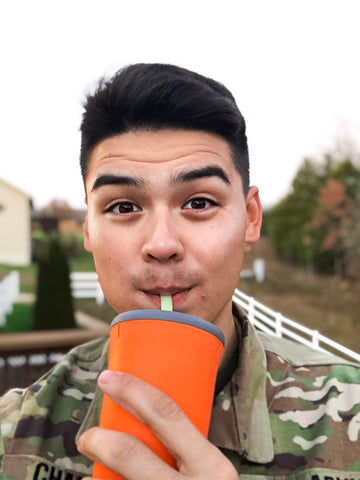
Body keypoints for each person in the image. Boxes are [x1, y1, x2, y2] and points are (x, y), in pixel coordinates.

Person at [1, 63, 360, 480]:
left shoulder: (346, 413)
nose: (162, 245)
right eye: (123, 207)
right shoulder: (16, 431)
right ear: (88, 230)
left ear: (249, 217)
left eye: (199, 202)